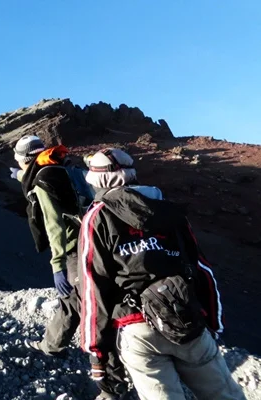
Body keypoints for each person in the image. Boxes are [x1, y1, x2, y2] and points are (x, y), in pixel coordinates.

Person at [79, 149, 244, 400]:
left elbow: (93, 287)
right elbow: (202, 270)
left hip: (136, 327)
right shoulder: (168, 211)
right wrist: (211, 323)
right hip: (187, 319)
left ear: (96, 180)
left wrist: (97, 353)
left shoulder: (97, 218)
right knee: (224, 394)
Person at [14, 136, 125, 399]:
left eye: (18, 160)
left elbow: (55, 226)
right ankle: (52, 344)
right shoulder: (64, 167)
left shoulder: (42, 181)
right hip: (100, 240)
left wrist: (57, 265)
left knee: (91, 307)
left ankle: (110, 383)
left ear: (26, 159)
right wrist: (20, 175)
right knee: (73, 300)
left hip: (77, 249)